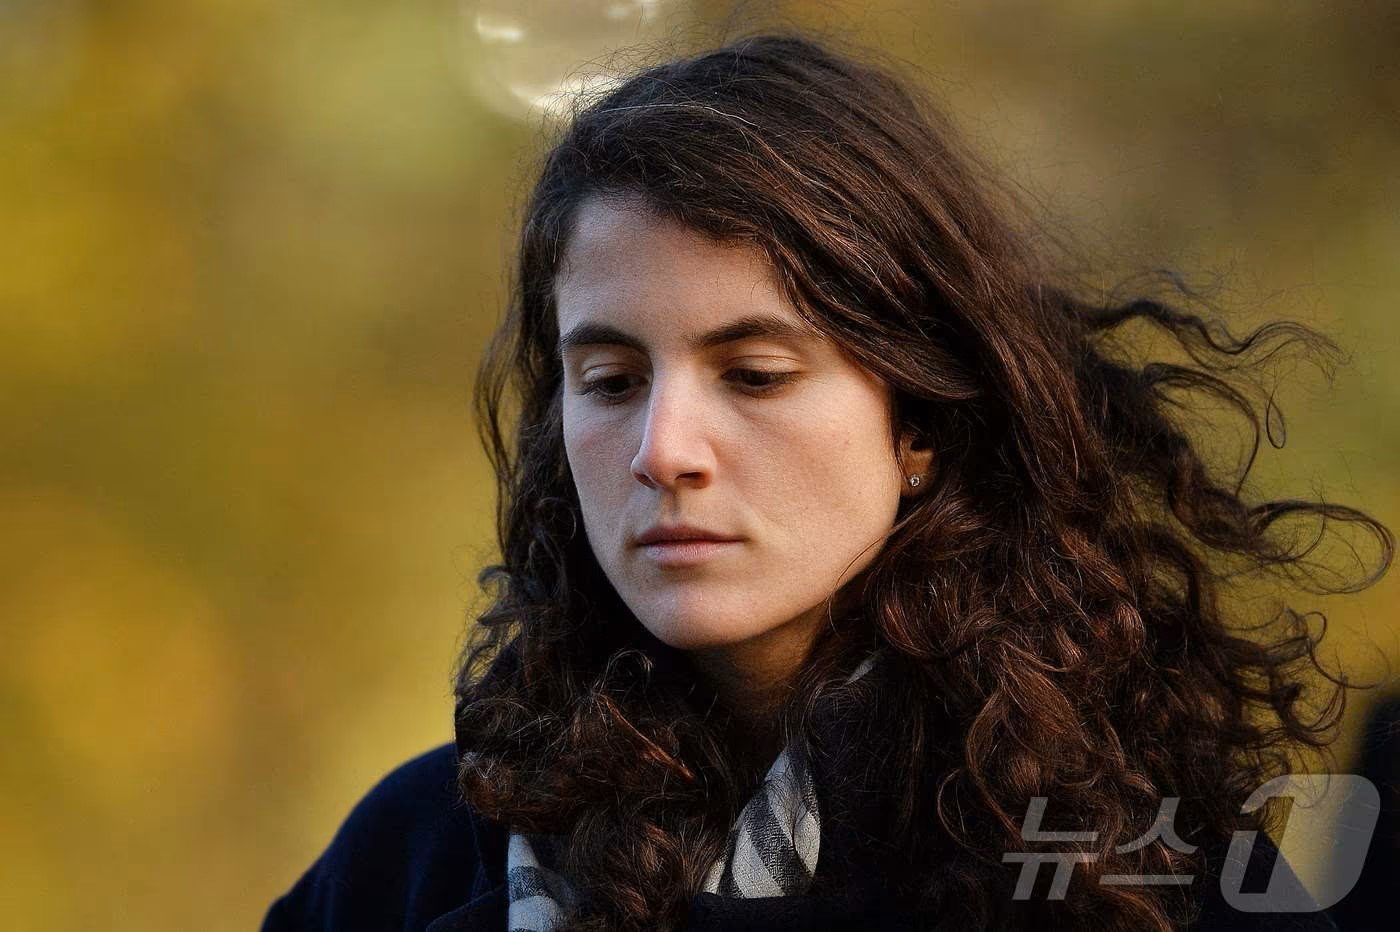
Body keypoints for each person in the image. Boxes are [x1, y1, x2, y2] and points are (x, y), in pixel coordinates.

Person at [261, 31, 1393, 931]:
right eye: (609, 381)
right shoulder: (420, 852)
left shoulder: (1127, 865)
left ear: (920, 425)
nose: (664, 448)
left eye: (753, 374)